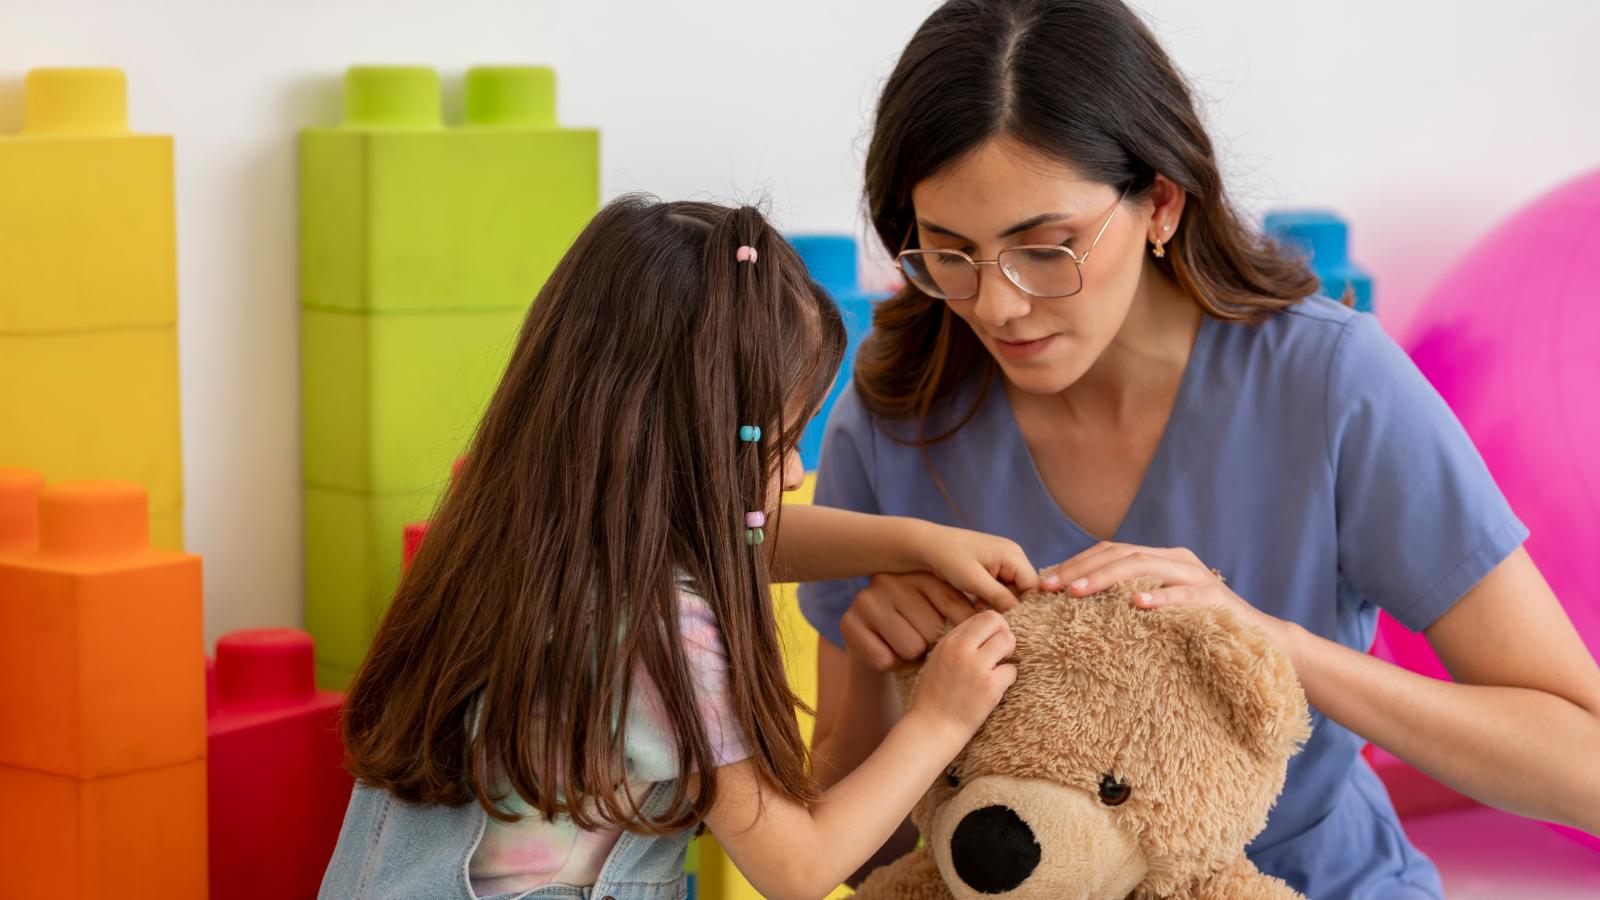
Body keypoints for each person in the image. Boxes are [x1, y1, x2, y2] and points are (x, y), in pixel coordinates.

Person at [800, 2, 1600, 897]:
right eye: (949, 254)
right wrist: (877, 676)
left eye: (1045, 249)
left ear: (1161, 204)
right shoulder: (895, 408)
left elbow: (1585, 766)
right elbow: (857, 855)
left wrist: (1274, 646)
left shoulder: (1331, 383)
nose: (997, 306)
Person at [319, 195, 1049, 900]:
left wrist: (916, 543)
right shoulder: (663, 635)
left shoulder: (519, 538)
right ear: (692, 441)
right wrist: (939, 721)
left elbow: (722, 541)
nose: (795, 472)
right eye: (783, 442)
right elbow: (798, 870)